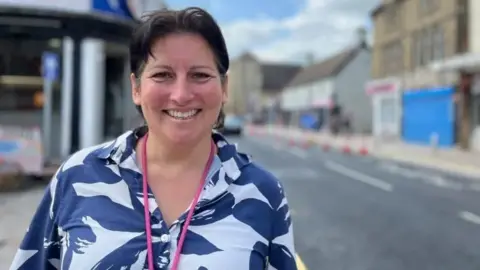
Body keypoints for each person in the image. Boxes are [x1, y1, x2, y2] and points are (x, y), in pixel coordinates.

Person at [9, 7, 297, 270]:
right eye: (162, 75)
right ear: (136, 87)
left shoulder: (262, 192)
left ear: (224, 87)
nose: (182, 95)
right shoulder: (77, 176)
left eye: (200, 75)